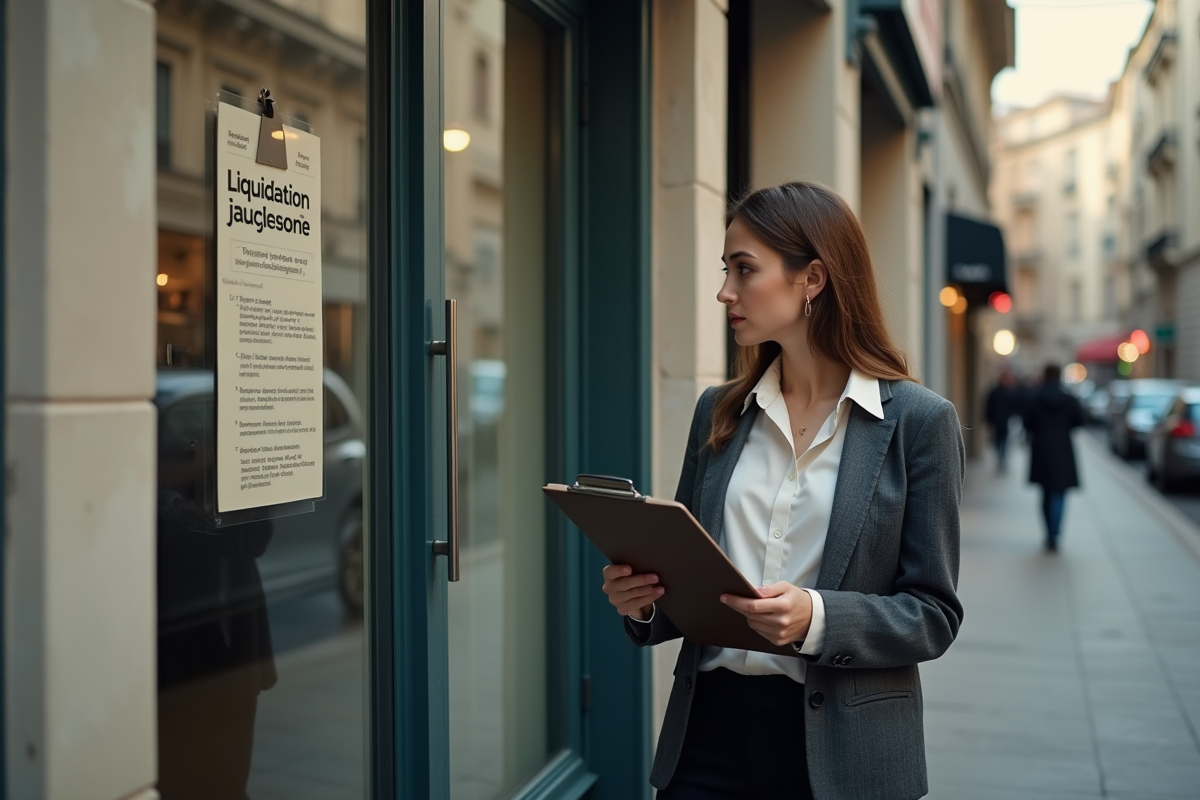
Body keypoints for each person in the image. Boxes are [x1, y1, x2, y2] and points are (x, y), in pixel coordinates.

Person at [601, 182, 964, 800]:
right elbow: (689, 578)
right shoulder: (719, 411)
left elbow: (933, 614)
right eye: (726, 270)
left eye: (745, 270)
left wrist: (816, 618)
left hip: (843, 754)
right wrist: (642, 599)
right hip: (705, 735)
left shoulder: (919, 422)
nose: (725, 292)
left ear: (812, 279)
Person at [1022, 363, 1083, 552]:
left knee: (1046, 493)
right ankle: (1055, 534)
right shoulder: (1069, 399)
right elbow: (1079, 421)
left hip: (1041, 449)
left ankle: (1049, 534)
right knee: (1059, 493)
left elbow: (1027, 423)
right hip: (1063, 449)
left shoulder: (1035, 398)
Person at [984, 369, 1021, 471]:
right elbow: (989, 407)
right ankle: (1000, 458)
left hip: (1007, 421)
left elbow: (1016, 406)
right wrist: (988, 420)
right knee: (997, 440)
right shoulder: (995, 392)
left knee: (1006, 441)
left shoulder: (1011, 392)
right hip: (997, 420)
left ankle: (1002, 459)